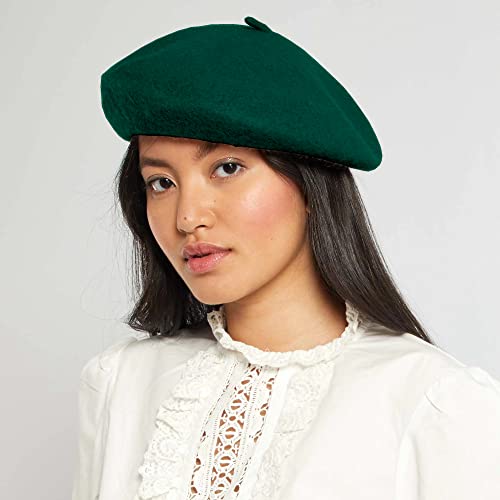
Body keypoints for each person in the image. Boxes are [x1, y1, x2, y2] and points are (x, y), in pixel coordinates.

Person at [71, 16, 500, 500]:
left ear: (310, 185)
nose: (187, 217)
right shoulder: (118, 385)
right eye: (161, 182)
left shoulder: (433, 404)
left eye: (227, 168)